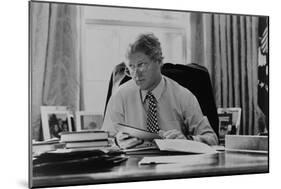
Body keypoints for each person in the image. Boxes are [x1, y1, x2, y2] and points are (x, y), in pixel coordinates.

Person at [102, 33, 218, 149]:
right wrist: (117, 142)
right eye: (131, 67)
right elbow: (104, 141)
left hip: (174, 164)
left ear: (158, 61)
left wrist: (186, 140)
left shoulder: (183, 95)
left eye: (141, 65)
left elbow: (211, 138)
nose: (136, 74)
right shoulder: (120, 96)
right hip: (133, 164)